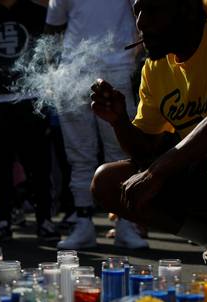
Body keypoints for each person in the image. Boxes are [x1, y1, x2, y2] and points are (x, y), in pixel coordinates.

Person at [91, 0, 207, 277]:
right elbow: (145, 149)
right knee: (108, 182)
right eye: (137, 11)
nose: (140, 23)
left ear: (184, 9)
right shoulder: (156, 67)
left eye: (151, 9)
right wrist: (120, 122)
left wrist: (158, 170)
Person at [45, 0, 148, 250]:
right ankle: (83, 223)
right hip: (73, 71)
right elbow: (53, 29)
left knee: (120, 150)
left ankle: (125, 222)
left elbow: (144, 14)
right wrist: (53, 73)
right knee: (79, 153)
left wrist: (136, 57)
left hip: (118, 68)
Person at [0, 0, 59, 243]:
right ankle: (2, 221)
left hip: (31, 99)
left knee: (39, 165)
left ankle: (44, 220)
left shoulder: (38, 14)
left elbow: (51, 50)